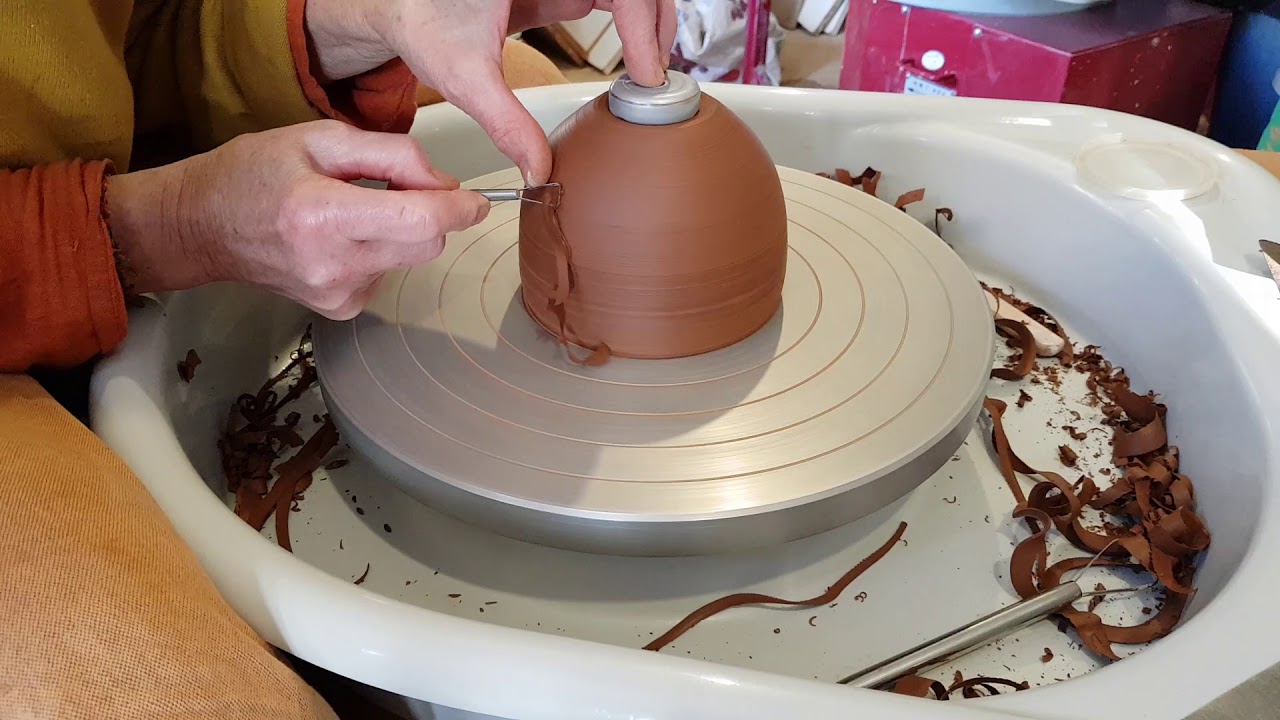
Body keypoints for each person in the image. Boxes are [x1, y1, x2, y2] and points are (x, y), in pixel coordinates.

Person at [0, 1, 673, 717]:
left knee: (527, 80)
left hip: (86, 151)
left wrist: (359, 20)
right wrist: (170, 228)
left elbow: (123, 35)